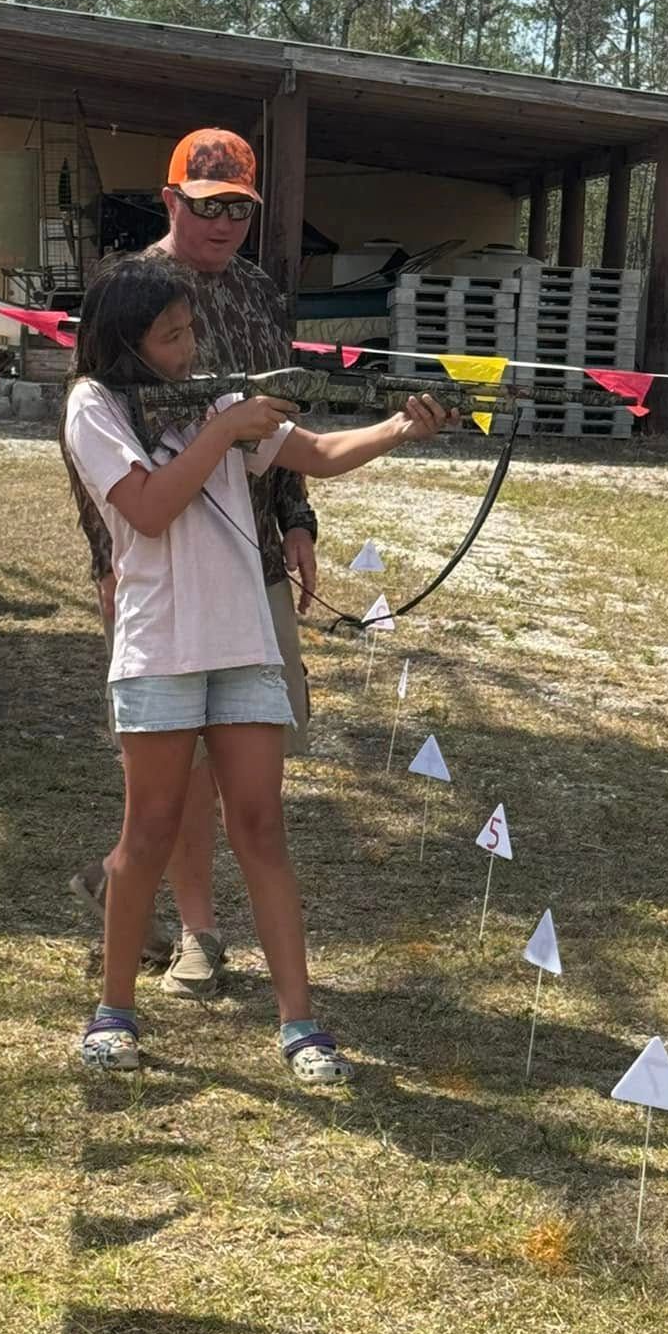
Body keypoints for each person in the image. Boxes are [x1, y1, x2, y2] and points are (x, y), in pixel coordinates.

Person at [61, 253, 451, 1086]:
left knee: (263, 829)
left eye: (189, 329)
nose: (188, 346)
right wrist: (219, 433)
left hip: (243, 645)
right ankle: (114, 1010)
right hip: (161, 648)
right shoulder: (94, 406)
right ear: (125, 344)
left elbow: (314, 451)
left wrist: (399, 428)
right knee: (149, 833)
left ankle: (301, 1025)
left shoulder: (214, 398)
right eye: (171, 336)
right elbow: (149, 511)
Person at [66, 127, 317, 999]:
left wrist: (297, 518)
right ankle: (196, 934)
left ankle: (121, 888)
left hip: (249, 554)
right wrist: (108, 558)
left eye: (238, 210)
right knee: (182, 774)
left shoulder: (255, 293)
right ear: (171, 200)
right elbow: (98, 437)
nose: (223, 224)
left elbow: (279, 417)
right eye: (207, 207)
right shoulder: (130, 292)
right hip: (158, 552)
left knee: (238, 762)